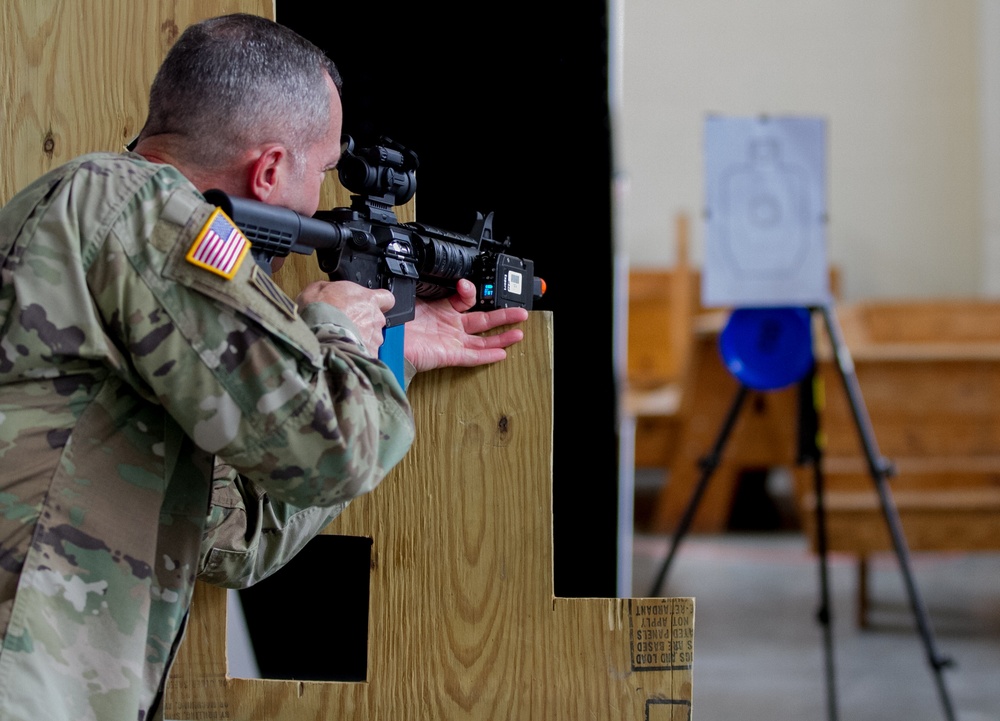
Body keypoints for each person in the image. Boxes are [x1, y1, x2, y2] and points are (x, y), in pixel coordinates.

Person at [0, 12, 528, 721]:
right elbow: (330, 451)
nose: (321, 204)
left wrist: (389, 351)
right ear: (272, 168)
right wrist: (338, 332)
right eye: (320, 172)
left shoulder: (96, 222)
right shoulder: (147, 211)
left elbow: (234, 538)